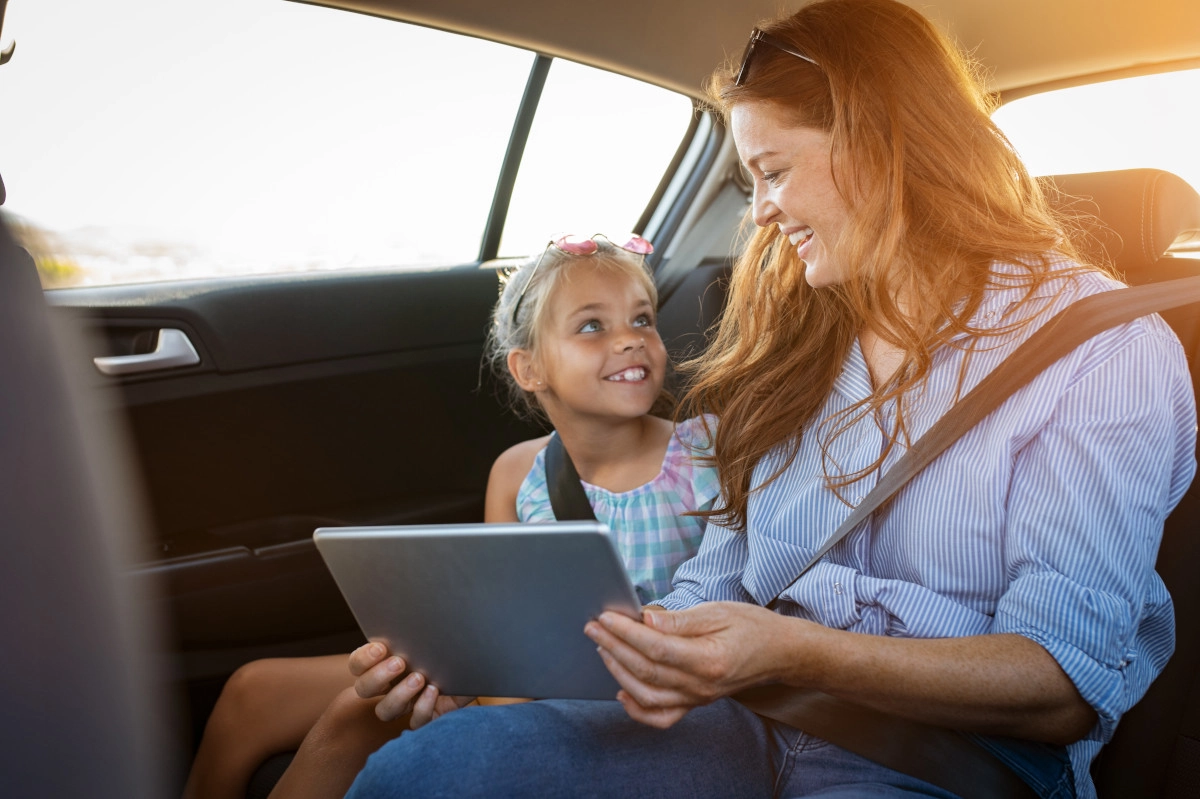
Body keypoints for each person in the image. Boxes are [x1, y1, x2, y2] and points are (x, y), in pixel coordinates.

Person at [342, 2, 1197, 798]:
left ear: (879, 141)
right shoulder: (791, 343)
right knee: (421, 770)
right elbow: (713, 579)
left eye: (773, 171)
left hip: (942, 758)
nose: (758, 214)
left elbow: (1059, 686)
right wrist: (578, 656)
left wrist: (796, 649)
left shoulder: (1103, 353)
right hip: (747, 718)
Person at [180, 234, 720, 799]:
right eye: (592, 326)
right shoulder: (517, 473)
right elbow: (497, 625)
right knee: (250, 688)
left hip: (635, 699)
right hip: (516, 675)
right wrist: (469, 681)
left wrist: (479, 708)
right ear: (529, 369)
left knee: (353, 713)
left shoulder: (708, 451)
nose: (631, 341)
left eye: (643, 320)